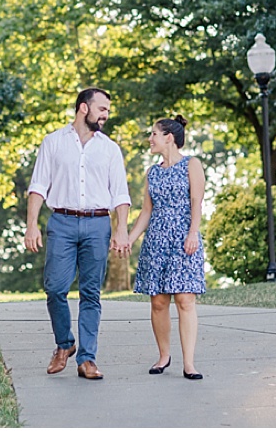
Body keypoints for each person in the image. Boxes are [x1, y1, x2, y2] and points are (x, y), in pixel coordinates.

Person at [25, 88, 131, 380]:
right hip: (62, 222)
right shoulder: (53, 142)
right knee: (55, 288)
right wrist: (31, 224)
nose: (106, 115)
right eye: (102, 109)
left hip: (98, 224)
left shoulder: (110, 149)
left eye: (107, 110)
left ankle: (87, 359)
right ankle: (64, 344)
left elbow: (120, 194)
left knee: (90, 294)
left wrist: (121, 229)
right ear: (84, 108)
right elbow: (38, 186)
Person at [127, 115, 206, 380]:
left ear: (168, 137)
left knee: (185, 299)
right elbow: (146, 211)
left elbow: (196, 201)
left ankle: (189, 364)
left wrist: (193, 233)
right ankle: (163, 356)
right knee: (159, 302)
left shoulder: (191, 164)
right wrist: (130, 238)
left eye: (154, 134)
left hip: (184, 238)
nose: (150, 139)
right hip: (157, 240)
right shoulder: (152, 172)